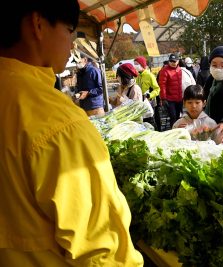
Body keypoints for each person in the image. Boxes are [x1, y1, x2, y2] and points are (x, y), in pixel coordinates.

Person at [0, 1, 143, 266]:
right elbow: (104, 254)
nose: (71, 45)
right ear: (38, 24)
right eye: (70, 31)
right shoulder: (58, 123)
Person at [158, 53, 184, 127]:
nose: (173, 63)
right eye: (171, 61)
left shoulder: (180, 70)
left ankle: (180, 131)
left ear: (178, 61)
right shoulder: (164, 70)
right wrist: (163, 98)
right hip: (170, 99)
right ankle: (173, 131)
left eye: (174, 61)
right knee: (173, 116)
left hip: (179, 98)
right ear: (169, 61)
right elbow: (162, 85)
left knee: (179, 117)